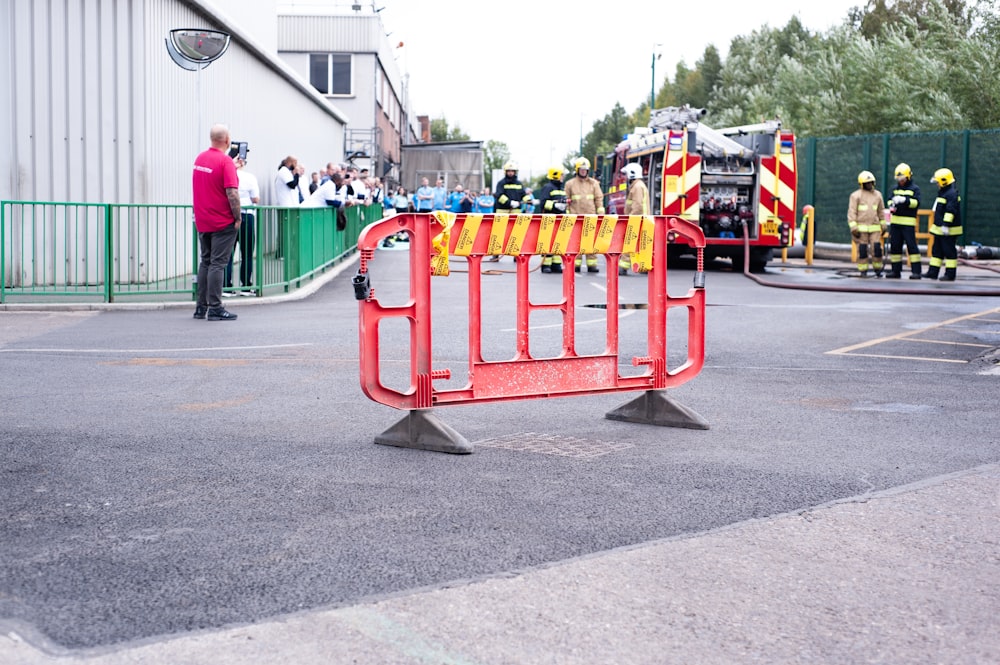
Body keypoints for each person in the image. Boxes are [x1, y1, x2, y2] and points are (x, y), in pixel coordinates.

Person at [192, 124, 240, 321]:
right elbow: (232, 192)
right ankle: (215, 307)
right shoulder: (225, 161)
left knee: (206, 261)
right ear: (227, 140)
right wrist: (237, 217)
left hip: (203, 219)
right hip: (222, 220)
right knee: (218, 264)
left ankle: (200, 307)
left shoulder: (200, 158)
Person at [224, 154, 259, 296]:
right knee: (247, 253)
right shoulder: (250, 177)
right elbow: (256, 198)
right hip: (247, 214)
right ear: (243, 162)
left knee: (227, 253)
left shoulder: (224, 175)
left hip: (229, 215)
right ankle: (246, 286)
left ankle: (226, 286)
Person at [564, 157, 605, 272]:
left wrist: (600, 213)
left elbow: (599, 199)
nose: (583, 171)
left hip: (591, 217)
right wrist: (568, 215)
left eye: (585, 169)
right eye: (581, 169)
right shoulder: (570, 184)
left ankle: (592, 265)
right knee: (576, 242)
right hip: (575, 217)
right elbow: (566, 200)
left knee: (590, 241)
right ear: (577, 170)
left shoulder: (594, 184)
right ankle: (575, 265)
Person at [924, 168, 963, 281]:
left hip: (949, 230)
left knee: (949, 252)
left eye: (938, 182)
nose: (937, 184)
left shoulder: (951, 194)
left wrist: (946, 224)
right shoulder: (944, 193)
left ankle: (950, 274)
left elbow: (951, 211)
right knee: (937, 251)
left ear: (944, 181)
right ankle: (933, 273)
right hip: (940, 229)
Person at [885, 163, 922, 279]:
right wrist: (892, 204)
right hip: (895, 223)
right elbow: (889, 200)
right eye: (898, 179)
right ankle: (895, 271)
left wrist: (904, 200)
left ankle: (916, 271)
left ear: (908, 177)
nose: (900, 181)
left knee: (911, 247)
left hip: (908, 224)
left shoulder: (914, 189)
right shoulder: (894, 189)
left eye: (902, 179)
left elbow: (916, 203)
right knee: (895, 247)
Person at [847, 170, 886, 277]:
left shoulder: (878, 195)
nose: (869, 184)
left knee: (877, 249)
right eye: (867, 183)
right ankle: (863, 270)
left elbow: (881, 211)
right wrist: (853, 227)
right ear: (862, 184)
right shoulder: (855, 196)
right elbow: (852, 212)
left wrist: (883, 224)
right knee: (862, 250)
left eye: (870, 182)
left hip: (875, 228)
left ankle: (878, 269)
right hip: (860, 230)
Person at [489, 161, 531, 261]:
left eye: (512, 171)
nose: (511, 173)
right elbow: (499, 195)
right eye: (509, 171)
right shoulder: (501, 183)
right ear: (505, 172)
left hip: (516, 211)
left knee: (516, 233)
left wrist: (528, 200)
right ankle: (495, 254)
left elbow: (523, 195)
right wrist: (510, 202)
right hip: (502, 211)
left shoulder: (519, 184)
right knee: (499, 233)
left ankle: (516, 255)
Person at [536, 166, 567, 273]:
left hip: (560, 219)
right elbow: (543, 203)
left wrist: (563, 205)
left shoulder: (561, 189)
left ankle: (556, 264)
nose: (563, 177)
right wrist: (555, 206)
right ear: (556, 175)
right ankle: (546, 265)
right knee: (547, 242)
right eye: (562, 175)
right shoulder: (548, 187)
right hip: (549, 219)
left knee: (558, 242)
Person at [620, 162, 649, 275]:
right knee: (641, 244)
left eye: (626, 174)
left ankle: (623, 267)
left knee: (629, 243)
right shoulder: (638, 185)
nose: (626, 176)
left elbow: (637, 205)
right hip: (642, 219)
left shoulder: (637, 187)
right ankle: (643, 266)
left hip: (637, 219)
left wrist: (631, 219)